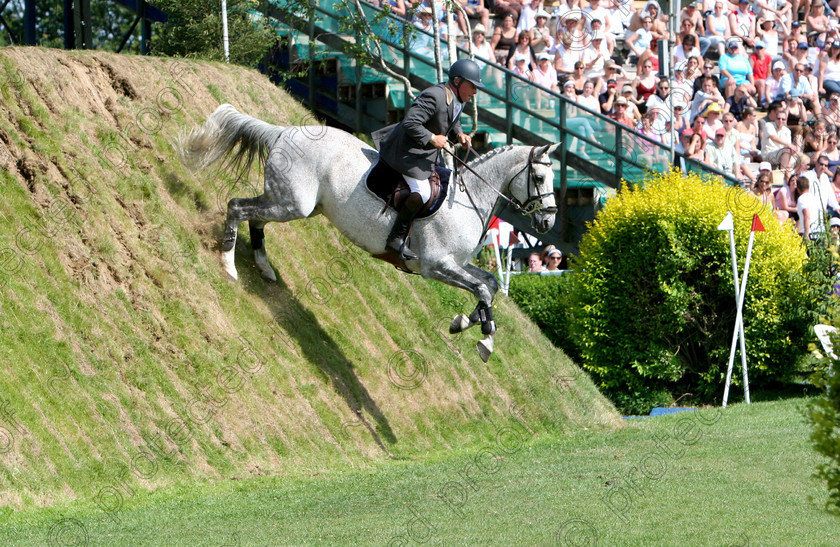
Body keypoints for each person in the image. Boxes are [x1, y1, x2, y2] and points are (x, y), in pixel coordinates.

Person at [376, 59, 484, 260]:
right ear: (458, 81)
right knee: (423, 192)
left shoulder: (456, 99)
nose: (475, 92)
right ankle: (395, 238)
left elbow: (452, 120)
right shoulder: (434, 96)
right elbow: (410, 122)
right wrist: (432, 138)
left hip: (426, 154)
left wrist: (458, 134)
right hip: (406, 152)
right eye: (472, 86)